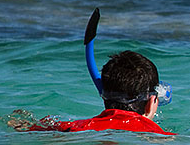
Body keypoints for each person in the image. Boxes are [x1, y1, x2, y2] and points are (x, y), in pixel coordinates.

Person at [23, 51, 174, 135]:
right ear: (152, 101)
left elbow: (24, 128)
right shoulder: (158, 135)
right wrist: (147, 122)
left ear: (103, 96)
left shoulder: (76, 127)